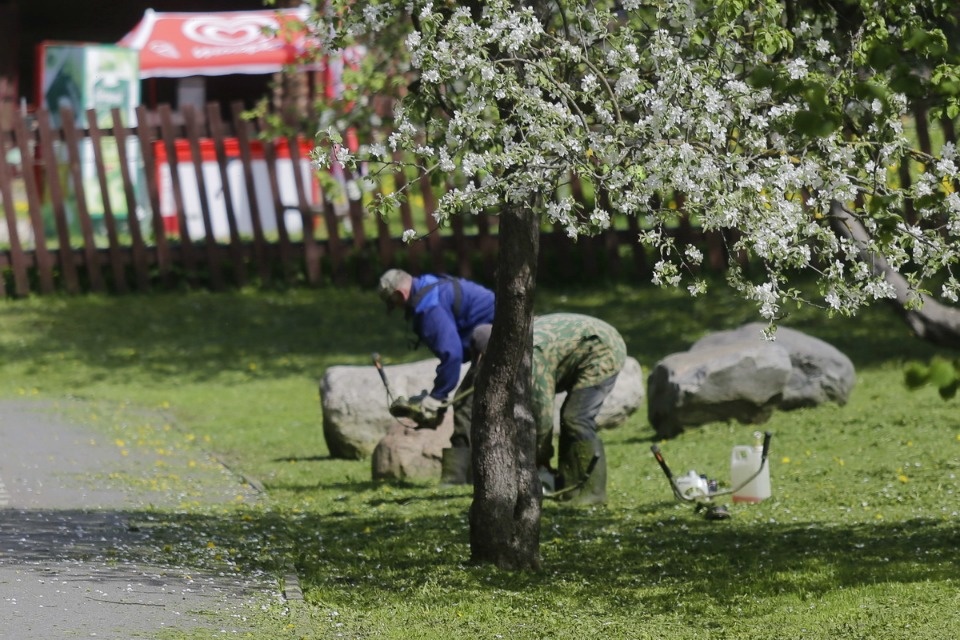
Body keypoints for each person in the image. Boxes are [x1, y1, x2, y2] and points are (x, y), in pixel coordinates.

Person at [470, 313, 626, 505]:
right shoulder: (507, 345)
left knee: (575, 418)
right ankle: (568, 486)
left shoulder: (530, 357)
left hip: (603, 348)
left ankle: (592, 493)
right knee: (571, 418)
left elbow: (541, 416)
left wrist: (539, 459)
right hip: (584, 340)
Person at [377, 268, 495, 484]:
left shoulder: (428, 307)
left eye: (394, 303)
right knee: (468, 404)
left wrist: (436, 398)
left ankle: (457, 479)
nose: (397, 309)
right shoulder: (430, 284)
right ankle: (467, 476)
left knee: (465, 406)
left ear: (400, 295)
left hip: (499, 340)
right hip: (495, 336)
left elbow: (451, 355)